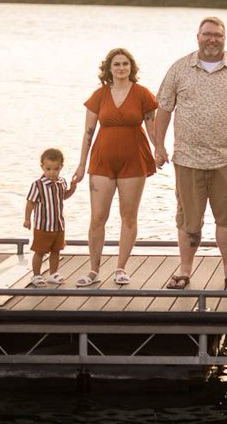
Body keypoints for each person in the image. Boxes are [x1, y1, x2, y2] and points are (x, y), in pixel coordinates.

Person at [154, 16, 227, 291]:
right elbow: (164, 109)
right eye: (207, 34)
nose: (212, 39)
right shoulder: (179, 68)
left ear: (224, 38)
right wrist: (158, 146)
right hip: (188, 158)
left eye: (217, 35)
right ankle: (184, 270)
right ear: (197, 37)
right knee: (188, 219)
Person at [71, 47, 159, 286]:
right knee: (98, 217)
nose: (121, 68)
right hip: (101, 160)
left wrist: (159, 149)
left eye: (125, 64)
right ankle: (93, 270)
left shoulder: (143, 94)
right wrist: (81, 164)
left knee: (128, 216)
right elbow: (88, 132)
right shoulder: (99, 95)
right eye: (117, 64)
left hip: (134, 159)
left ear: (132, 68)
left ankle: (120, 268)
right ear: (109, 69)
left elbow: (152, 128)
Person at [23, 147, 79, 286]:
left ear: (61, 167)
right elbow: (30, 202)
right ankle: (36, 275)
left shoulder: (61, 183)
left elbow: (63, 197)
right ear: (42, 167)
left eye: (55, 169)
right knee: (39, 251)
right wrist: (27, 219)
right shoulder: (38, 185)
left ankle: (53, 274)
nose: (52, 172)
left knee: (56, 251)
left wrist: (72, 188)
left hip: (58, 225)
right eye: (48, 169)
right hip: (43, 226)